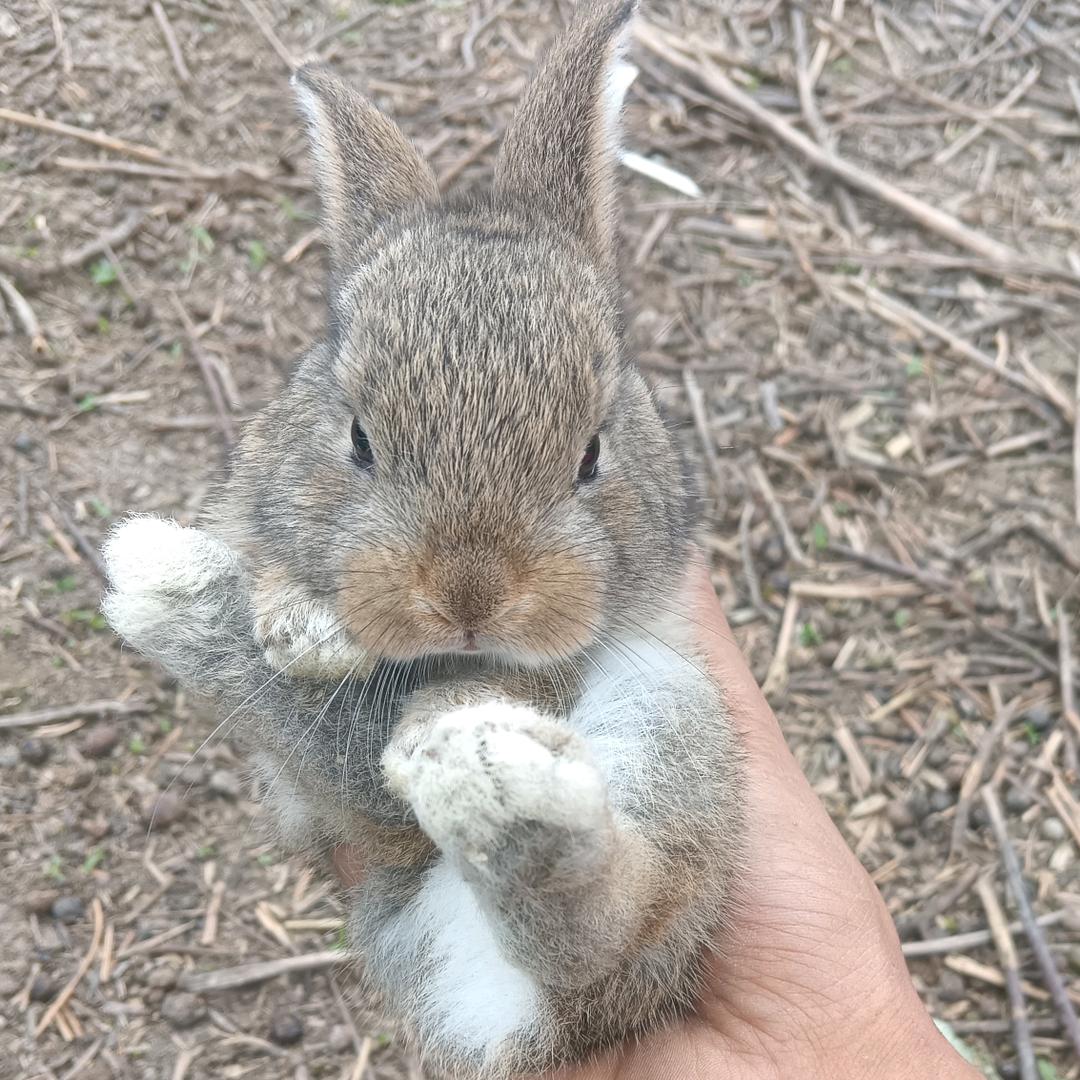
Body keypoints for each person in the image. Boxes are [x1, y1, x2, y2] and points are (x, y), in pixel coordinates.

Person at [335, 563, 980, 1080]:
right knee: (270, 655)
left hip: (592, 952)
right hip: (419, 913)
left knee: (666, 677)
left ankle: (566, 885)